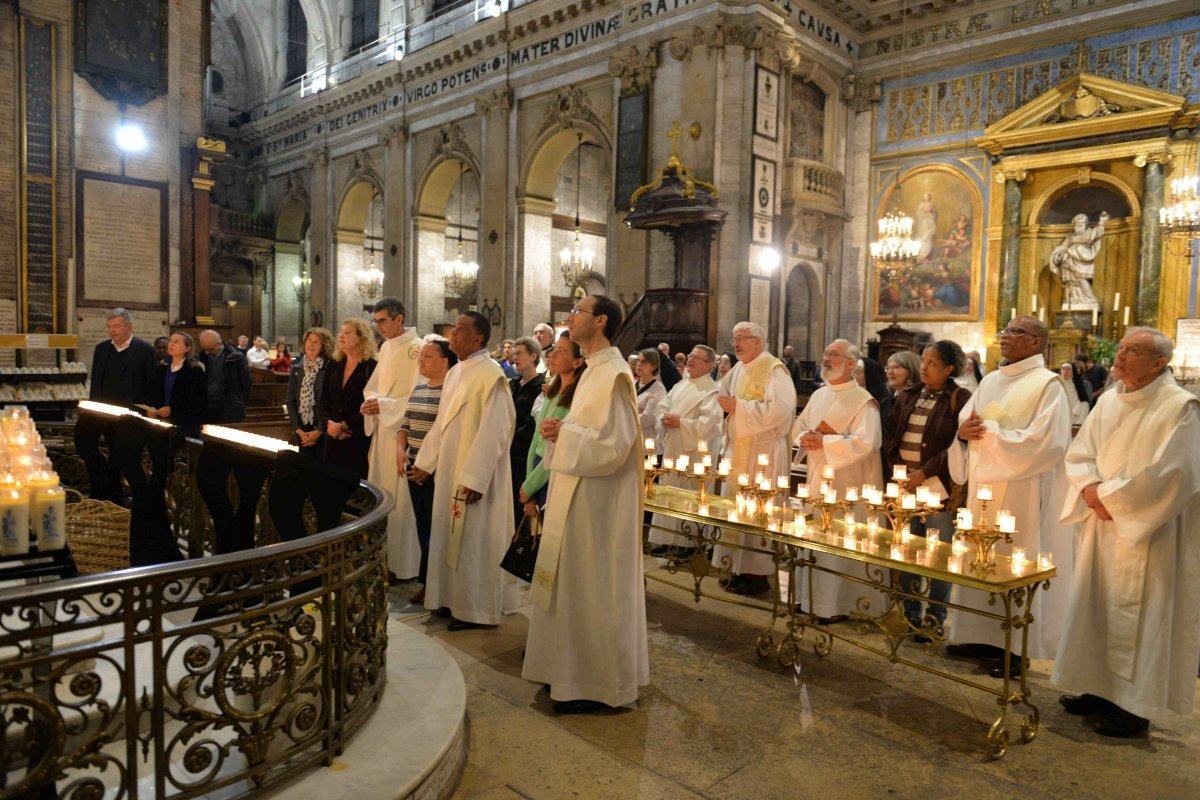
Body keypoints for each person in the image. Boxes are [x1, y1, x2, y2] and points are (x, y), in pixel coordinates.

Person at [1053, 328, 1200, 737]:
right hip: (1103, 524)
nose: (1120, 357)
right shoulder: (1111, 399)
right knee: (1097, 605)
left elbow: (1175, 474)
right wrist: (1088, 489)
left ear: (1158, 363)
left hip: (1149, 532)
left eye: (1132, 351)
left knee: (1141, 616)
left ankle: (1134, 707)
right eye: (1120, 349)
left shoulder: (1180, 407)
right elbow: (1080, 452)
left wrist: (1108, 498)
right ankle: (1099, 690)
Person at [523, 295, 648, 714]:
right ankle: (564, 671)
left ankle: (594, 684)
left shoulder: (614, 374)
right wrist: (564, 429)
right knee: (570, 586)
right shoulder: (595, 370)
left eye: (578, 311)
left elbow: (614, 445)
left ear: (600, 321)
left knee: (593, 587)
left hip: (598, 503)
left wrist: (566, 434)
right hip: (574, 492)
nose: (570, 316)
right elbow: (588, 431)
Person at [947, 315, 1075, 677]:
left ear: (1037, 342)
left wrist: (988, 435)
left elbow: (1048, 444)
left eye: (1015, 331)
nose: (1005, 336)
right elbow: (967, 424)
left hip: (1023, 490)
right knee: (979, 556)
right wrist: (964, 434)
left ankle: (1017, 649)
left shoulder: (1048, 385)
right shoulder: (990, 380)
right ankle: (976, 634)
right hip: (985, 487)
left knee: (1015, 559)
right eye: (1005, 330)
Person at [410, 311, 516, 631]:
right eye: (453, 328)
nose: (452, 333)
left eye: (460, 329)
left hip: (474, 477)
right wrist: (425, 463)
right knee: (449, 538)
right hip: (450, 472)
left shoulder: (491, 375)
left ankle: (476, 611)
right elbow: (443, 424)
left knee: (474, 542)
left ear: (478, 338)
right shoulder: (458, 372)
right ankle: (449, 600)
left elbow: (496, 430)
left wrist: (475, 477)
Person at [883, 341, 972, 635]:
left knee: (937, 555)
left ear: (949, 369)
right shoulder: (907, 395)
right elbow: (891, 436)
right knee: (907, 550)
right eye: (923, 361)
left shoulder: (959, 398)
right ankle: (910, 616)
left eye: (932, 363)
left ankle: (934, 619)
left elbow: (956, 445)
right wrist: (901, 471)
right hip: (906, 485)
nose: (923, 367)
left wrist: (924, 472)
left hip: (938, 490)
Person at [793, 339, 881, 620]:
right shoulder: (819, 395)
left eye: (834, 355)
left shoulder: (863, 401)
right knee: (816, 536)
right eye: (826, 353)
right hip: (818, 476)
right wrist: (805, 439)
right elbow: (800, 427)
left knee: (838, 539)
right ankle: (810, 599)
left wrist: (825, 442)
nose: (827, 359)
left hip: (847, 483)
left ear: (852, 364)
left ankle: (837, 605)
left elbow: (868, 442)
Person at [711, 322, 796, 596]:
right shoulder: (738, 368)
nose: (735, 344)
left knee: (759, 511)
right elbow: (720, 393)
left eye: (742, 339)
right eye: (733, 338)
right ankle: (738, 568)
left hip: (763, 453)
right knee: (738, 510)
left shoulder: (774, 370)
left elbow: (781, 411)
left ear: (758, 342)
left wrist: (740, 408)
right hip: (740, 450)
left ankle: (758, 575)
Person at [359, 297, 424, 582]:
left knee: (402, 502)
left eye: (382, 320)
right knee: (382, 496)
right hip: (383, 434)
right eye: (375, 322)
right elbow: (372, 389)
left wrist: (384, 405)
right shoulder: (385, 348)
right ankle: (383, 558)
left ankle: (404, 565)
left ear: (399, 318)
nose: (378, 327)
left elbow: (419, 396)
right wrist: (372, 403)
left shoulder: (419, 349)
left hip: (402, 435)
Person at [397, 338, 457, 605]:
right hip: (413, 467)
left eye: (428, 356)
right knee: (422, 525)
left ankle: (436, 583)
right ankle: (427, 581)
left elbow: (447, 434)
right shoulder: (418, 389)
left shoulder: (450, 392)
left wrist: (428, 466)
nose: (421, 361)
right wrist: (401, 449)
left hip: (437, 470)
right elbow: (405, 424)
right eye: (420, 356)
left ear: (445, 361)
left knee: (437, 527)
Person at [76, 309, 160, 503]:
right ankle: (101, 487)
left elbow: (151, 384)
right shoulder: (102, 348)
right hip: (101, 411)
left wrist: (149, 410)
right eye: (109, 326)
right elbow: (96, 380)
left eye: (116, 326)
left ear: (128, 327)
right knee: (83, 443)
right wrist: (92, 407)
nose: (111, 330)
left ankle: (113, 500)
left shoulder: (145, 350)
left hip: (127, 416)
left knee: (118, 457)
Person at [648, 345, 723, 558]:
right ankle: (666, 538)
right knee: (669, 490)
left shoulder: (713, 391)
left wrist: (682, 422)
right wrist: (664, 419)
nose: (690, 360)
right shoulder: (681, 385)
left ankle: (687, 544)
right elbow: (662, 407)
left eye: (697, 358)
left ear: (709, 365)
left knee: (689, 493)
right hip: (674, 446)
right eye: (690, 356)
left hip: (694, 453)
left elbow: (711, 425)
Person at [518, 331, 585, 523]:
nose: (552, 356)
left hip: (551, 475)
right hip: (536, 470)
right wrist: (528, 482)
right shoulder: (554, 390)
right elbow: (536, 440)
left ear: (577, 362)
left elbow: (556, 451)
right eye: (554, 349)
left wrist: (529, 486)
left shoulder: (576, 397)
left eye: (561, 352)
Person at [320, 319, 377, 478]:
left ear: (361, 337)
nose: (341, 336)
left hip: (356, 437)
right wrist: (329, 424)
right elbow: (323, 400)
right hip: (332, 435)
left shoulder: (371, 367)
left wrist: (345, 425)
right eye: (341, 332)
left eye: (347, 332)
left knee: (355, 489)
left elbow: (371, 405)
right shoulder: (334, 365)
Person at [509, 337, 545, 517]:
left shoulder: (541, 386)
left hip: (524, 455)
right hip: (506, 456)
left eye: (520, 353)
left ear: (533, 356)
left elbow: (532, 424)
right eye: (514, 353)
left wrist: (509, 441)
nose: (515, 357)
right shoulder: (512, 384)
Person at [146, 331, 208, 436]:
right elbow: (153, 391)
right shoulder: (162, 367)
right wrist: (151, 408)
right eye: (170, 341)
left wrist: (173, 409)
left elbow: (198, 399)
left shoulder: (195, 369)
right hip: (162, 423)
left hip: (185, 424)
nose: (171, 344)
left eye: (176, 341)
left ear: (187, 348)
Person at [286, 327, 334, 458]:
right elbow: (290, 401)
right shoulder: (297, 368)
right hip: (303, 430)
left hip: (322, 430)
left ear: (323, 346)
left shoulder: (330, 368)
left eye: (315, 342)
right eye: (308, 340)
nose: (310, 345)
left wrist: (319, 431)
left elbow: (330, 402)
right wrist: (299, 430)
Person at [1049, 212, 1109, 309]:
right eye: (1077, 225)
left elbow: (1099, 233)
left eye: (1081, 225)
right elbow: (1063, 246)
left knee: (1082, 279)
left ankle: (1090, 299)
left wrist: (1101, 222)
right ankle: (1072, 300)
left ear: (1085, 225)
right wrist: (1058, 254)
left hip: (1082, 259)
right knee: (1071, 281)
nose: (1079, 227)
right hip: (1069, 261)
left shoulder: (1090, 233)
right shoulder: (1070, 236)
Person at [197, 330, 251, 424]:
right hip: (207, 407)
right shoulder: (200, 357)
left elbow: (246, 383)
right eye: (204, 348)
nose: (206, 352)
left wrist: (239, 403)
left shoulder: (236, 357)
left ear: (219, 344)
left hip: (230, 407)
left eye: (209, 349)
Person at [635, 348, 668, 440]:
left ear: (653, 366)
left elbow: (647, 419)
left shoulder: (658, 389)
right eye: (638, 360)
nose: (638, 364)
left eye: (644, 361)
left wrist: (624, 416)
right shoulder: (633, 383)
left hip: (649, 442)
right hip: (632, 439)